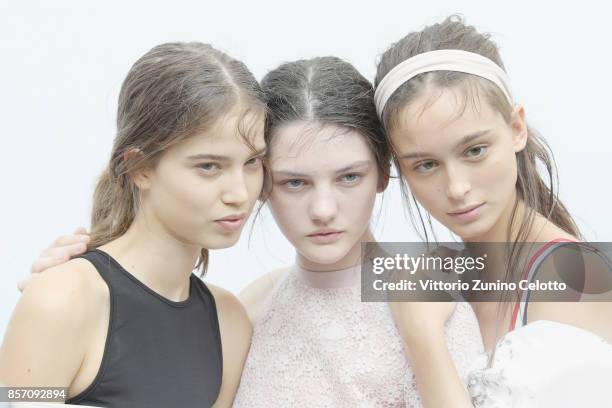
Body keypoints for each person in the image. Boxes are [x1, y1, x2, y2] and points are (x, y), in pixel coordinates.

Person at [20, 56, 484, 407]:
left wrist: (423, 329)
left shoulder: (435, 282)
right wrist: (56, 302)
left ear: (383, 173)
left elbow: (551, 268)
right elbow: (22, 396)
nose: (324, 210)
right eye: (293, 182)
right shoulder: (247, 310)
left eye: (349, 177)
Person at [0, 42, 267, 407]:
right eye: (209, 166)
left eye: (252, 162)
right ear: (139, 167)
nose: (240, 193)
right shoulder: (60, 299)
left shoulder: (229, 322)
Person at [374, 15, 612, 407]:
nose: (456, 188)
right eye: (426, 165)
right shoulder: (440, 274)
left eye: (474, 150)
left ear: (516, 128)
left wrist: (422, 336)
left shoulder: (578, 280)